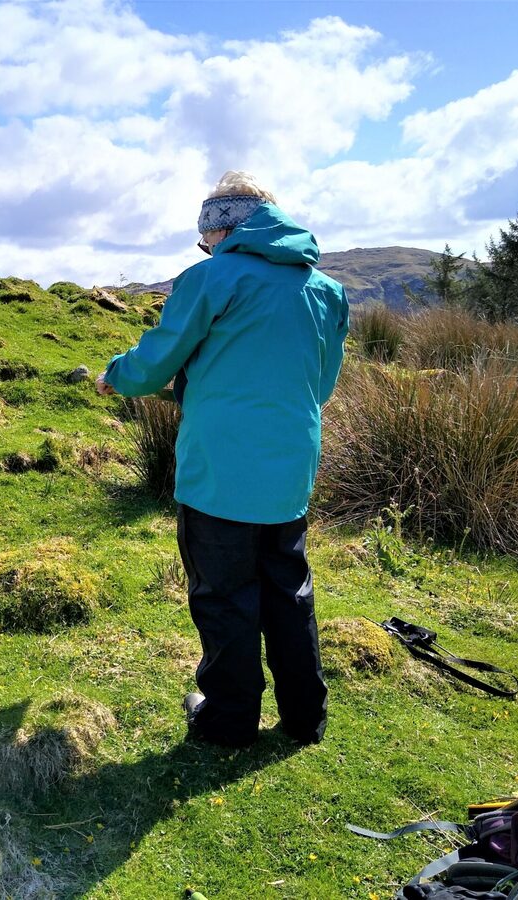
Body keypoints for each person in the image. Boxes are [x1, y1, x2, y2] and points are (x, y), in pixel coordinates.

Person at [97, 171, 348, 748]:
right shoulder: (326, 291)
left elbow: (156, 362)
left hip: (221, 469)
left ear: (221, 229)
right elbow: (322, 385)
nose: (204, 248)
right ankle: (304, 717)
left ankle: (228, 719)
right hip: (289, 468)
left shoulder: (212, 278)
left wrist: (118, 374)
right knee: (290, 590)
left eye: (205, 238)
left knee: (224, 593)